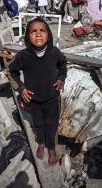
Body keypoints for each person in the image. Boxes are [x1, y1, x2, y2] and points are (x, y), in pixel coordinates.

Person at [9, 18, 67, 165]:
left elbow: (63, 65)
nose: (38, 34)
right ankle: (41, 143)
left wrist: (61, 78)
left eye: (42, 30)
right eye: (33, 31)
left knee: (52, 124)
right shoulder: (22, 56)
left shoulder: (55, 53)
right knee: (38, 124)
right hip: (33, 100)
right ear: (27, 36)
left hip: (52, 98)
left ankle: (51, 148)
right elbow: (12, 72)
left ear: (49, 35)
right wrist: (21, 88)